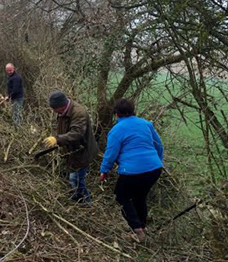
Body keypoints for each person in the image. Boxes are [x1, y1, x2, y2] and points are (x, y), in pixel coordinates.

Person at [99, 98, 163, 242]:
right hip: (154, 169)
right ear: (134, 110)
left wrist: (104, 170)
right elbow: (159, 145)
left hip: (132, 171)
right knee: (140, 197)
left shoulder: (116, 130)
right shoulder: (146, 124)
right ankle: (142, 228)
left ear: (117, 114)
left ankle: (137, 229)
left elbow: (111, 154)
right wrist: (158, 161)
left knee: (122, 196)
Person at [42, 91, 99, 204]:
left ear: (62, 106)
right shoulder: (63, 111)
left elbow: (77, 133)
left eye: (55, 110)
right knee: (74, 177)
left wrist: (57, 139)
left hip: (82, 151)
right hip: (72, 151)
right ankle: (77, 197)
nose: (54, 112)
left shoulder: (78, 113)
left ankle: (86, 203)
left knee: (76, 178)